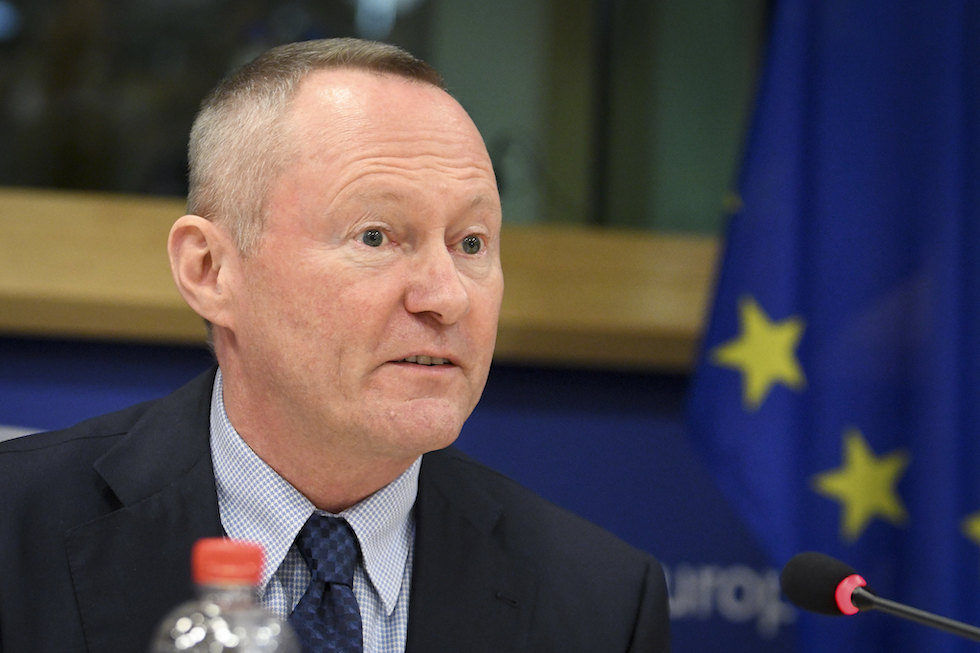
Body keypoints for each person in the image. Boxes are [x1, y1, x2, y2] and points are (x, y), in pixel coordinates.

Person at [0, 38, 670, 652]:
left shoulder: (602, 602)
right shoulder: (15, 534)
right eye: (376, 236)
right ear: (210, 270)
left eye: (471, 243)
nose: (447, 296)